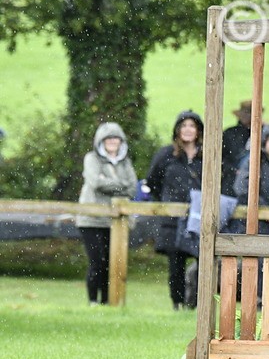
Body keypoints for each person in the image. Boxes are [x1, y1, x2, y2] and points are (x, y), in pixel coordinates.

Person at [75, 122, 139, 305]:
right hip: (91, 220)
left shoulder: (126, 162)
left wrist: (109, 182)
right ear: (100, 141)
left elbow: (132, 188)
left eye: (115, 138)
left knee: (113, 264)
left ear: (121, 141)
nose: (112, 141)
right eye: (108, 138)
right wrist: (120, 185)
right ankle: (93, 301)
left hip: (115, 221)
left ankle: (107, 302)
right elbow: (95, 182)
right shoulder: (91, 159)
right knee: (97, 262)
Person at [146, 110, 204, 310]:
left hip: (198, 215)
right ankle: (177, 303)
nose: (188, 130)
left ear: (198, 131)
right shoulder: (166, 155)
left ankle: (196, 304)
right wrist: (166, 202)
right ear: (177, 130)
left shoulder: (206, 156)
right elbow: (152, 182)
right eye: (184, 126)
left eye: (192, 126)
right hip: (172, 217)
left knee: (202, 263)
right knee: (176, 264)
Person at [221, 100, 255, 197]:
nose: (247, 116)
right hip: (231, 181)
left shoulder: (264, 133)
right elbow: (221, 158)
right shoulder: (229, 133)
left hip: (254, 180)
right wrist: (234, 170)